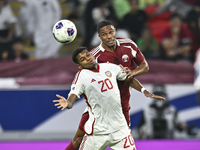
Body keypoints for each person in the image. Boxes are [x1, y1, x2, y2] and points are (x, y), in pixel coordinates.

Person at [64, 20, 165, 150]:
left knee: (121, 139)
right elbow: (83, 80)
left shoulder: (128, 45)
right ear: (99, 37)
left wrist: (133, 75)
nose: (109, 36)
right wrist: (70, 102)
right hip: (99, 107)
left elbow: (144, 66)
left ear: (115, 31)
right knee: (79, 138)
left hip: (122, 103)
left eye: (111, 32)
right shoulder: (94, 56)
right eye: (104, 34)